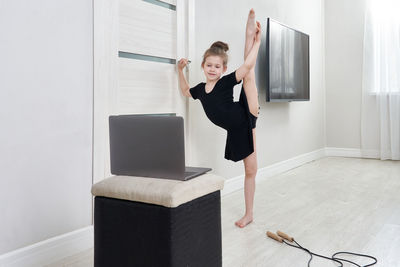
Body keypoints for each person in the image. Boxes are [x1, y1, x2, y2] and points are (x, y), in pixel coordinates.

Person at [177, 9, 261, 228]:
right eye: (209, 65)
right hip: (237, 129)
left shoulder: (225, 83)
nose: (212, 69)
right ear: (203, 66)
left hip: (246, 112)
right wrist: (180, 70)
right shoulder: (201, 90)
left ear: (223, 69)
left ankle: (251, 33)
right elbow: (186, 91)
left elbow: (247, 66)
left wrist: (257, 43)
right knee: (250, 170)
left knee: (248, 74)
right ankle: (249, 213)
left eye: (217, 66)